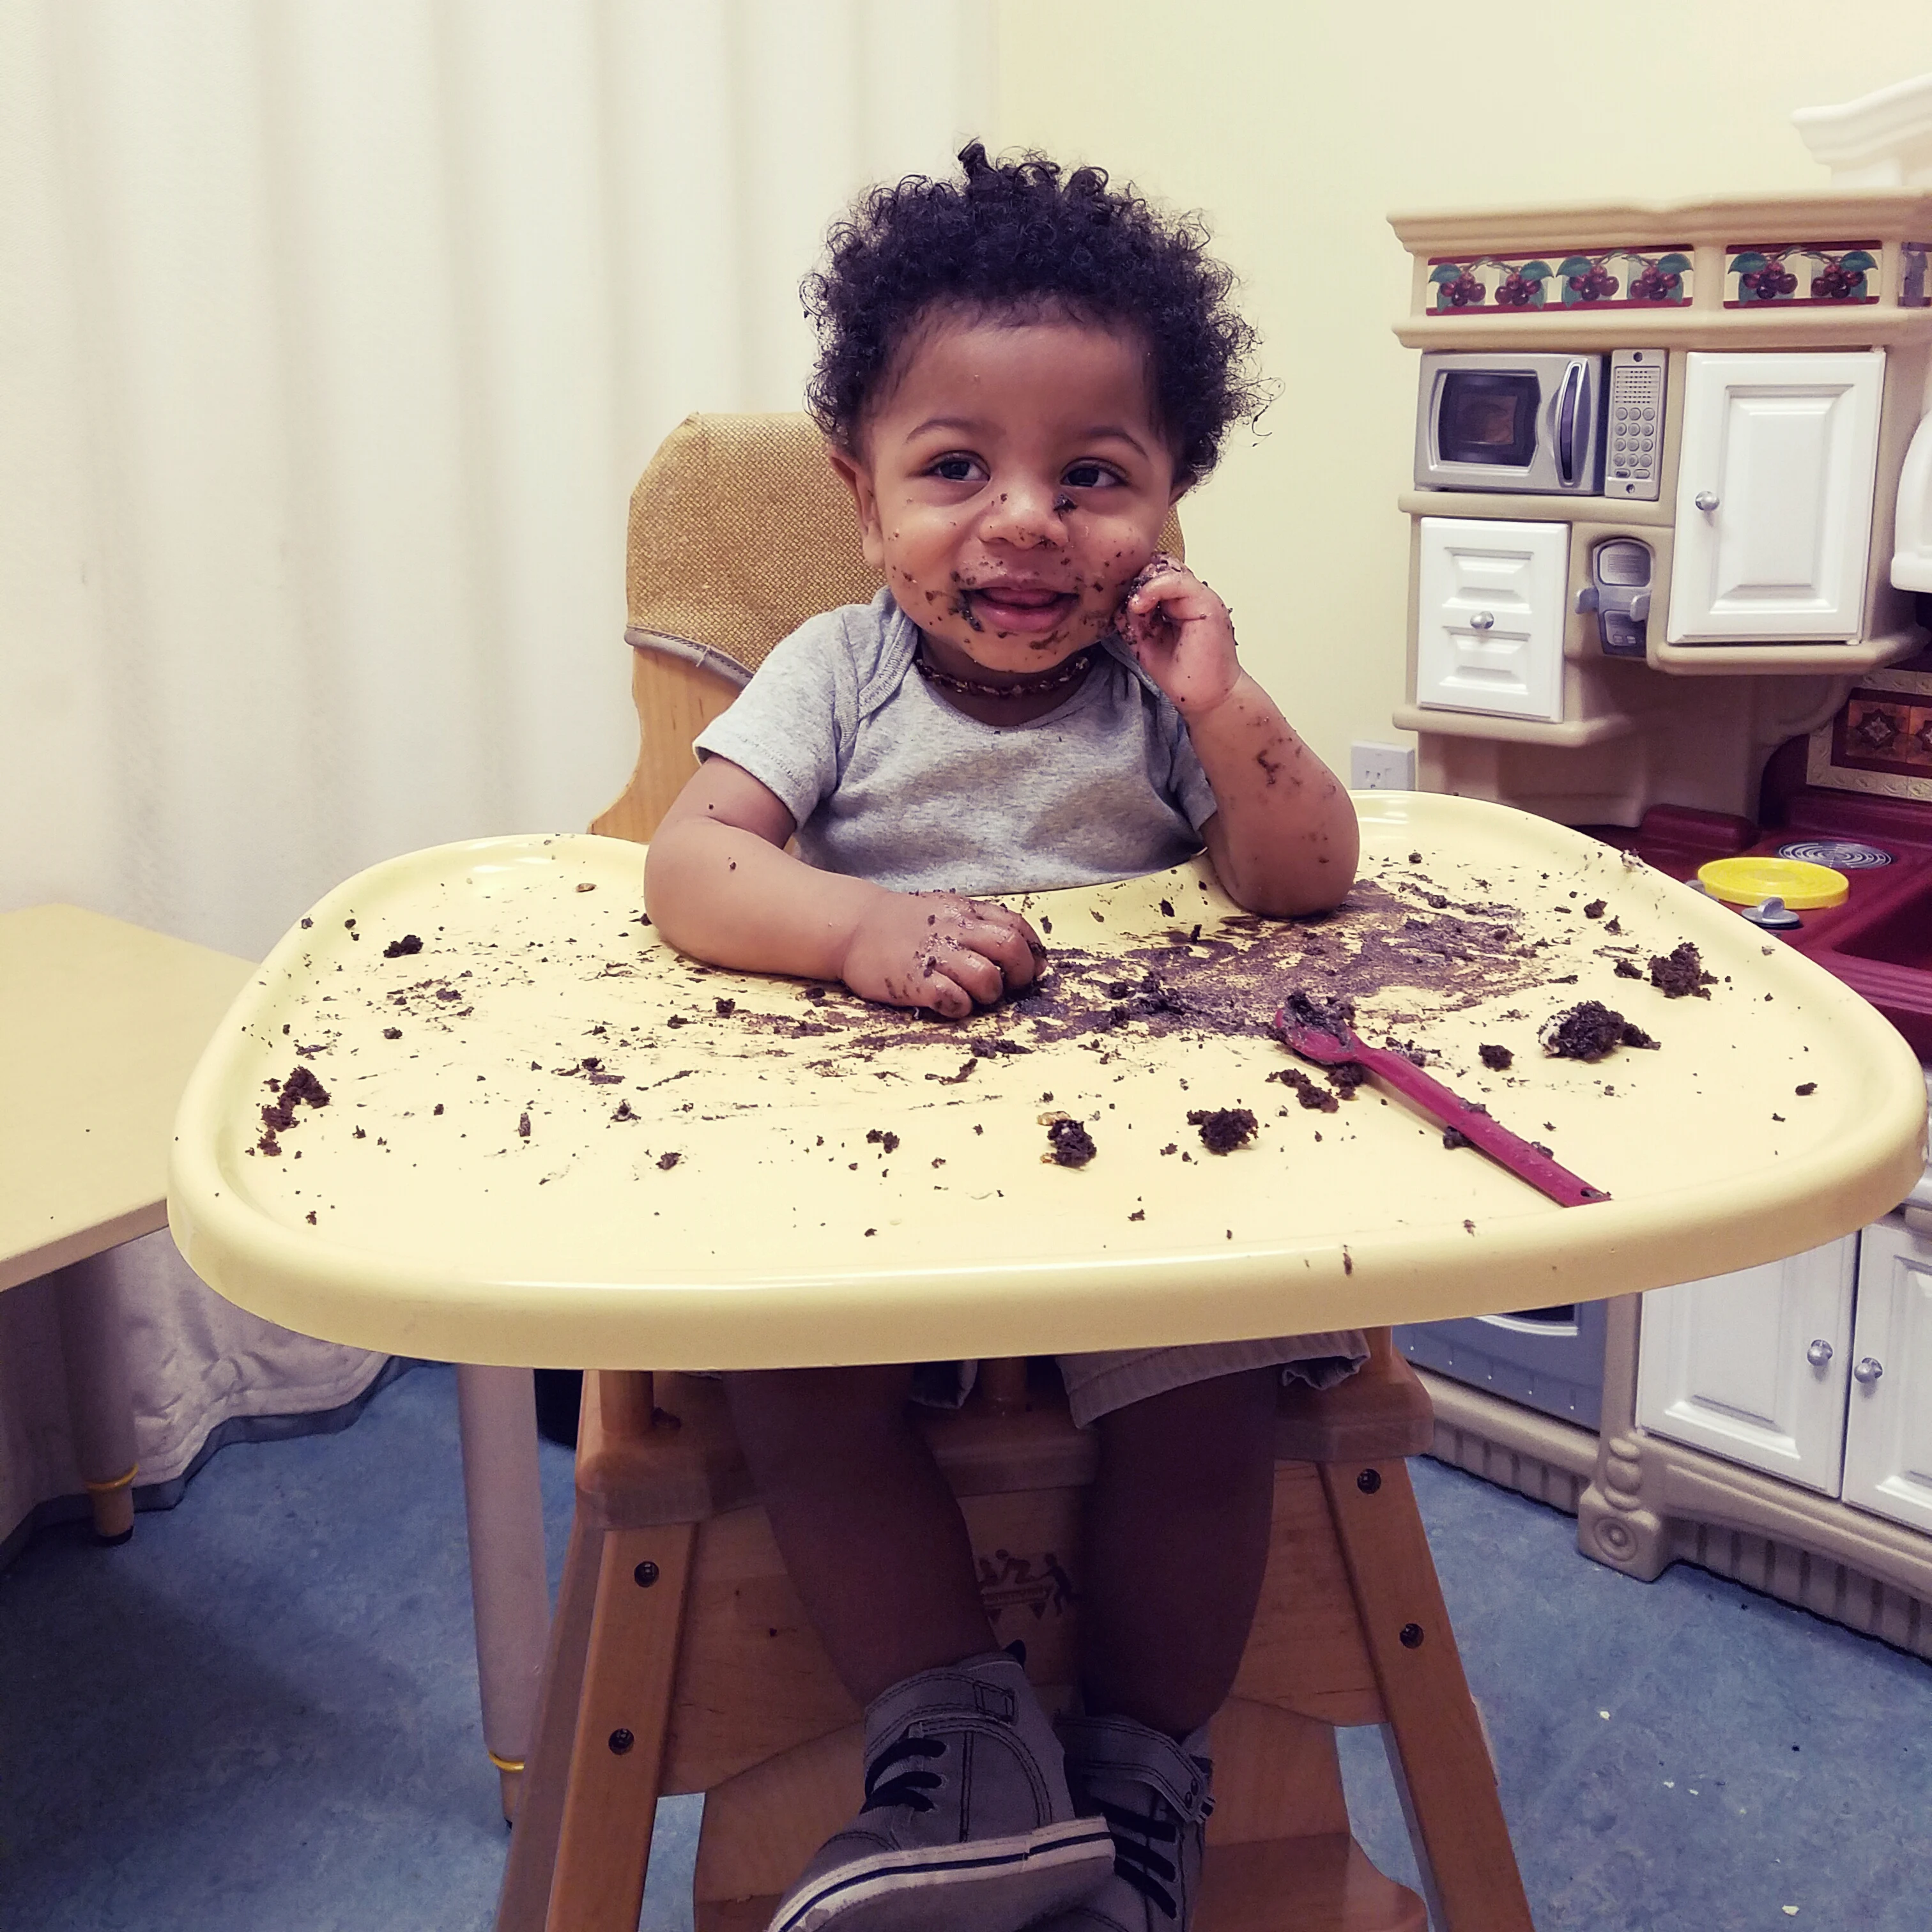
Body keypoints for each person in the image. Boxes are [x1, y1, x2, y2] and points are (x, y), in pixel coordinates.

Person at [644, 142, 1363, 1932]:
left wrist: (1238, 708)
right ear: (862, 495)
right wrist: (861, 928)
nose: (1027, 518)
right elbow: (689, 862)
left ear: (1169, 498)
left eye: (1092, 474)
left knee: (1205, 1412)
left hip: (1134, 1161)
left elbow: (1303, 882)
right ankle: (960, 1758)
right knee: (785, 1373)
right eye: (957, 468)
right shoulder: (838, 669)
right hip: (874, 1159)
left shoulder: (1156, 689)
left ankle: (1136, 1785)